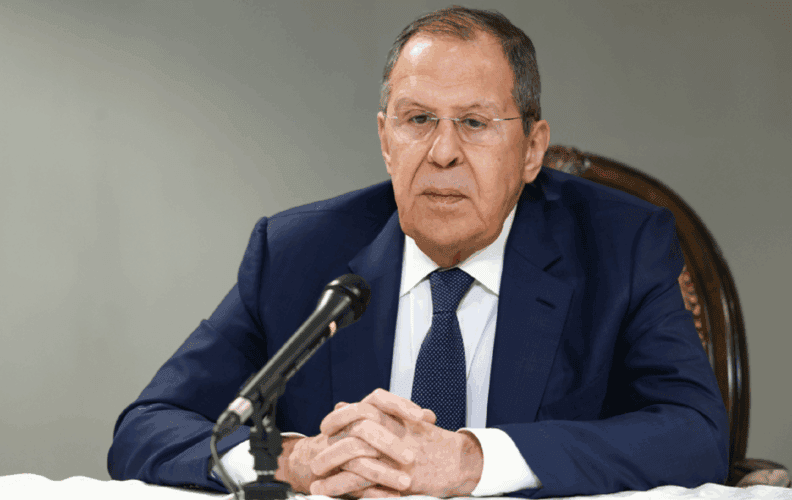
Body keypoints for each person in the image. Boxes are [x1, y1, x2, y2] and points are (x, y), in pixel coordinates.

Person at [108, 6, 728, 498]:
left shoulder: (619, 246)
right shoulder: (297, 254)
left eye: (475, 123)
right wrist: (294, 459)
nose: (443, 152)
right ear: (386, 139)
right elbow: (147, 427)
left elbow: (697, 436)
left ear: (532, 149)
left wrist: (472, 461)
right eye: (419, 119)